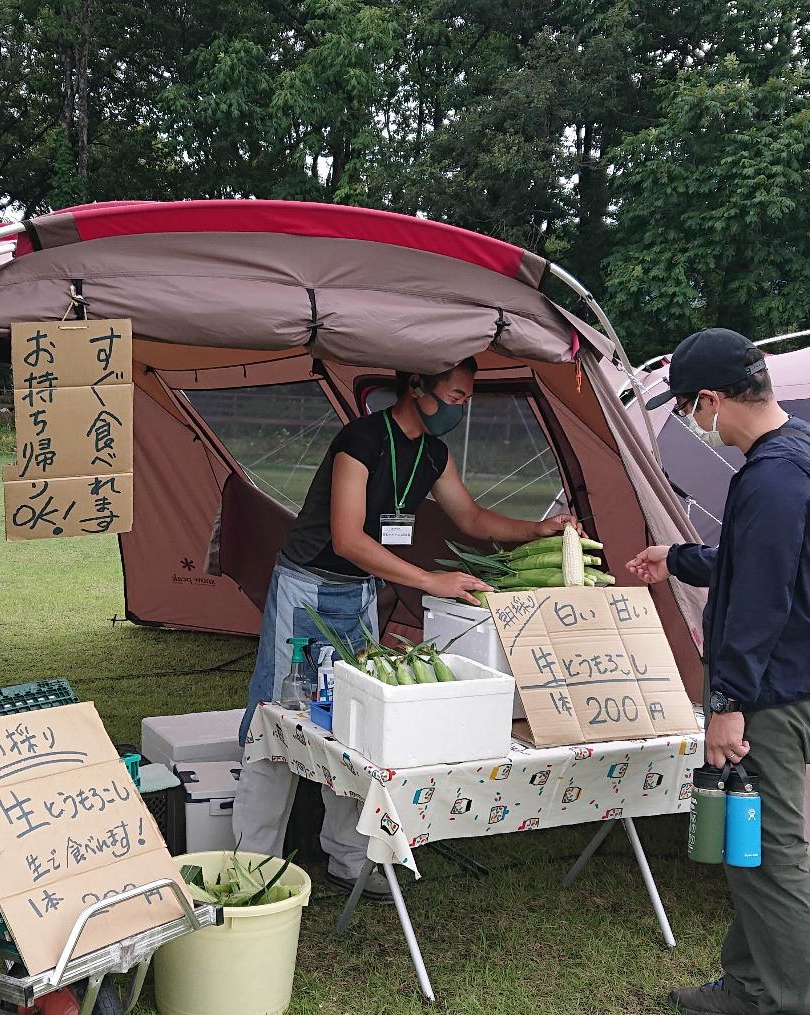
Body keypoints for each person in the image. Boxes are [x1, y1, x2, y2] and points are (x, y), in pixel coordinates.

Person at [234, 357, 578, 894]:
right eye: (456, 397)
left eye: (467, 399)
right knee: (280, 718)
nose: (460, 409)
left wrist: (540, 528)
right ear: (417, 387)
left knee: (355, 721)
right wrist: (429, 581)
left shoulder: (433, 453)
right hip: (308, 589)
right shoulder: (362, 440)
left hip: (361, 592)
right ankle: (253, 866)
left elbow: (472, 518)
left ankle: (349, 859)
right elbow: (347, 539)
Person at [628, 327, 810, 1015]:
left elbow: (758, 603)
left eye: (691, 409)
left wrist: (727, 704)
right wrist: (681, 557)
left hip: (773, 695)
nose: (696, 424)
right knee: (749, 848)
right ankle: (751, 981)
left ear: (711, 399)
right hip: (791, 682)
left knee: (772, 851)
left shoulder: (774, 479)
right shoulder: (802, 453)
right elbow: (761, 557)